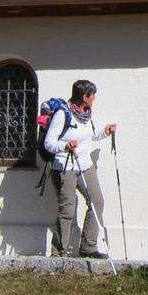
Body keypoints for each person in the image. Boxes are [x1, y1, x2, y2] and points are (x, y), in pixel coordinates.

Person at [44, 79, 117, 258]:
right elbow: (48, 143)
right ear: (84, 96)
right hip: (64, 168)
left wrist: (105, 132)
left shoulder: (86, 113)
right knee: (67, 210)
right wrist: (65, 146)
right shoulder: (63, 114)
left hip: (85, 165)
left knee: (97, 202)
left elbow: (89, 135)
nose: (94, 99)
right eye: (92, 95)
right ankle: (59, 252)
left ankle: (88, 248)